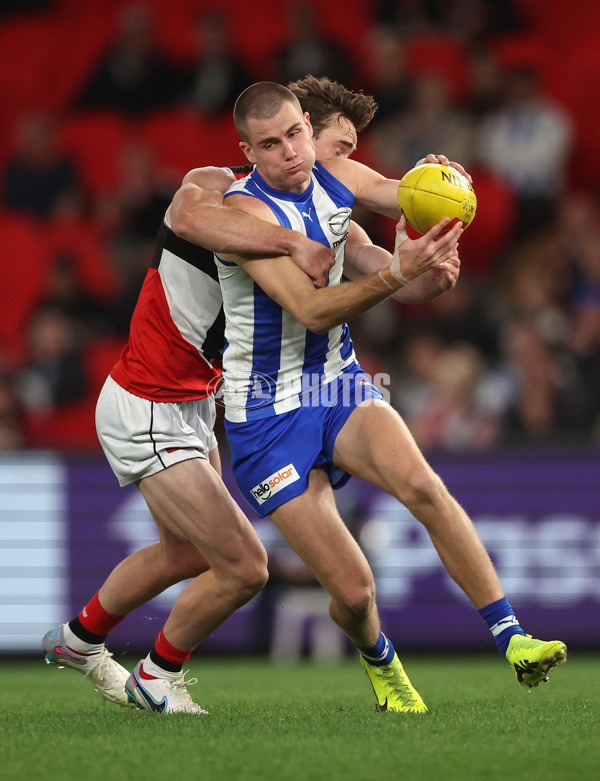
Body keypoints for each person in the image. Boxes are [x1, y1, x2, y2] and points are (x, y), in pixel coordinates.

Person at [41, 76, 461, 714]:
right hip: (149, 400)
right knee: (243, 566)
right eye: (334, 146)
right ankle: (158, 676)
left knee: (185, 553)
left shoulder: (317, 207)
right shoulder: (222, 190)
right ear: (279, 139)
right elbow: (184, 214)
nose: (333, 161)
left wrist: (424, 243)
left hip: (196, 400)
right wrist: (295, 243)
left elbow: (384, 269)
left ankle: (77, 638)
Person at [215, 81, 567, 713]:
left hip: (340, 382)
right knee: (353, 592)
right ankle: (382, 664)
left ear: (305, 128)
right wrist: (399, 272)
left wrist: (441, 200)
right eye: (274, 144)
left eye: (297, 135)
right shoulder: (246, 216)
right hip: (265, 414)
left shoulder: (334, 174)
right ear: (250, 152)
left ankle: (513, 637)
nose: (294, 153)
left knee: (425, 487)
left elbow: (402, 206)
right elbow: (312, 309)